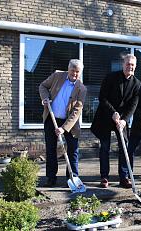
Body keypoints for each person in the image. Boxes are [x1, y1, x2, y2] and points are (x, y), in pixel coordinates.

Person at [91, 54, 141, 189]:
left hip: (122, 120)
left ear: (135, 67)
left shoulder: (137, 83)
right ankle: (104, 177)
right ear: (122, 64)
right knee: (105, 147)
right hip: (106, 116)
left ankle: (123, 177)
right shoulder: (111, 77)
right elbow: (102, 97)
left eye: (132, 65)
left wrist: (124, 120)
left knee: (124, 147)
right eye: (127, 64)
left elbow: (133, 104)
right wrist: (113, 112)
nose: (129, 66)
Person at [39, 59, 87, 187]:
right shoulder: (57, 76)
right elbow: (43, 86)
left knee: (73, 149)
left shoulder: (81, 89)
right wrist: (45, 98)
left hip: (69, 124)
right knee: (51, 149)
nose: (75, 74)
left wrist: (64, 128)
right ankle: (51, 178)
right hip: (52, 118)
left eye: (77, 72)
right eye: (72, 70)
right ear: (68, 69)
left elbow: (77, 111)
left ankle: (72, 177)